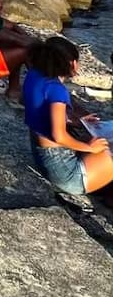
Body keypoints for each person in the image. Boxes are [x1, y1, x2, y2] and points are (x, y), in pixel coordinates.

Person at [23, 37, 113, 196]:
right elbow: (59, 136)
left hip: (42, 157)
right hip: (67, 174)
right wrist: (90, 148)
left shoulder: (34, 75)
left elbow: (41, 111)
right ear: (72, 63)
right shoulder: (57, 90)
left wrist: (76, 120)